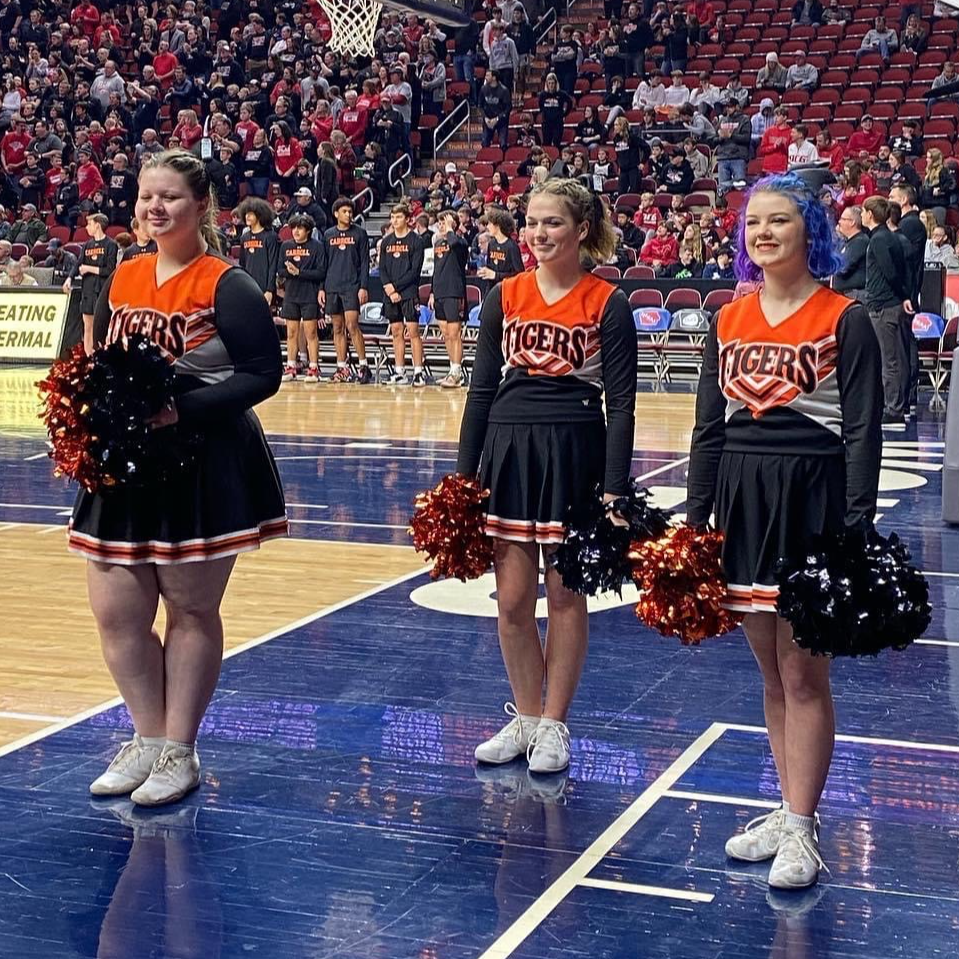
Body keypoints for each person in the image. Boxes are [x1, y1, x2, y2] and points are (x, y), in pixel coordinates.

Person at [73, 149, 287, 807]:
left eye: (168, 197)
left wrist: (178, 408)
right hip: (126, 461)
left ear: (200, 207)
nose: (154, 208)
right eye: (146, 197)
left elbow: (262, 373)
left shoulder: (227, 283)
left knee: (190, 606)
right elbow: (99, 361)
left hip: (203, 460)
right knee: (117, 610)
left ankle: (179, 748)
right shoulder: (123, 275)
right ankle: (144, 734)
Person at [687, 172, 882, 890]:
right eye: (753, 223)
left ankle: (802, 825)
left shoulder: (844, 317)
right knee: (769, 671)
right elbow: (708, 427)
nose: (762, 233)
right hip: (741, 496)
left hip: (812, 497)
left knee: (804, 672)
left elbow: (863, 431)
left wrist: (854, 527)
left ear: (811, 233)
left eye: (779, 221)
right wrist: (696, 515)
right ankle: (787, 804)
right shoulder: (727, 319)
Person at [456, 178, 636, 774]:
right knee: (509, 600)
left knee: (564, 595)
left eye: (553, 223)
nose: (539, 233)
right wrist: (464, 478)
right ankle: (527, 717)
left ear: (582, 230)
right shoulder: (502, 295)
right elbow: (480, 391)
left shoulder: (607, 303)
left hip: (574, 446)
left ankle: (555, 724)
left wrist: (614, 488)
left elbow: (623, 403)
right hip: (508, 443)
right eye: (532, 222)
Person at [862, 196, 913, 429]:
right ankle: (894, 406)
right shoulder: (890, 237)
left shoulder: (879, 240)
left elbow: (890, 273)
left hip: (884, 306)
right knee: (892, 359)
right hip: (891, 303)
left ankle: (893, 409)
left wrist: (902, 296)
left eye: (863, 211)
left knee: (888, 360)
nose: (861, 215)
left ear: (870, 214)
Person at [323, 198, 372, 384]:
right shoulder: (328, 234)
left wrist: (364, 286)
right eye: (344, 211)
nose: (349, 214)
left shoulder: (360, 234)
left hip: (352, 285)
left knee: (352, 325)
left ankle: (363, 365)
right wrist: (322, 289)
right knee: (337, 327)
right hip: (332, 286)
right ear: (336, 214)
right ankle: (342, 367)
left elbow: (365, 263)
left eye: (350, 211)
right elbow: (324, 264)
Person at [380, 203, 426, 387]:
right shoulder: (386, 241)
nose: (394, 220)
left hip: (408, 292)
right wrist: (388, 287)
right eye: (392, 217)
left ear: (407, 219)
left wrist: (395, 288)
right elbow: (382, 267)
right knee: (396, 331)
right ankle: (400, 372)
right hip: (391, 293)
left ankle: (418, 372)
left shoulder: (416, 241)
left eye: (398, 217)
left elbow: (415, 271)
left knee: (413, 332)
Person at [279, 213, 326, 384]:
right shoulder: (285, 246)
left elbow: (321, 272)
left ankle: (313, 367)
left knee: (310, 333)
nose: (296, 231)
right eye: (294, 228)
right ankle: (290, 366)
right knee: (291, 333)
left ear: (308, 230)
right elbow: (281, 270)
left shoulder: (317, 247)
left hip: (309, 295)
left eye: (300, 228)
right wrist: (290, 271)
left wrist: (299, 272)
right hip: (291, 295)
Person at [64, 213, 119, 355]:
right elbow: (78, 263)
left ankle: (102, 357)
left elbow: (110, 270)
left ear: (97, 225)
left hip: (102, 289)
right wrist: (69, 278)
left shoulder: (111, 244)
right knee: (87, 325)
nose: (86, 227)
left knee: (102, 326)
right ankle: (88, 357)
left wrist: (89, 269)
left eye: (89, 224)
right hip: (87, 289)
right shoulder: (87, 245)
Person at [431, 209, 470, 389]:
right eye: (439, 223)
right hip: (439, 291)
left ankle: (457, 372)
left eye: (444, 222)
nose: (441, 225)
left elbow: (454, 242)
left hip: (454, 291)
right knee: (445, 333)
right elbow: (436, 269)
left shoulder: (460, 242)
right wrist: (432, 291)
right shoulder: (438, 242)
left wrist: (450, 229)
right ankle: (451, 369)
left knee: (455, 334)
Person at [237, 196, 280, 311]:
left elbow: (273, 265)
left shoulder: (270, 236)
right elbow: (242, 265)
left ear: (259, 215)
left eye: (250, 214)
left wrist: (270, 290)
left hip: (264, 287)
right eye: (246, 214)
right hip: (248, 286)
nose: (247, 217)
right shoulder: (244, 238)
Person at [478, 206, 524, 282]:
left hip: (507, 288)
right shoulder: (491, 244)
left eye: (489, 223)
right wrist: (485, 271)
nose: (487, 227)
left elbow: (519, 274)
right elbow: (490, 267)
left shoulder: (512, 246)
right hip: (492, 288)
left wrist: (496, 275)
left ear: (498, 226)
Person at [833, 205, 868, 303]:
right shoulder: (848, 242)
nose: (839, 222)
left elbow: (843, 268)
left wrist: (831, 265)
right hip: (844, 295)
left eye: (843, 219)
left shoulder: (860, 241)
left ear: (852, 222)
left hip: (853, 296)